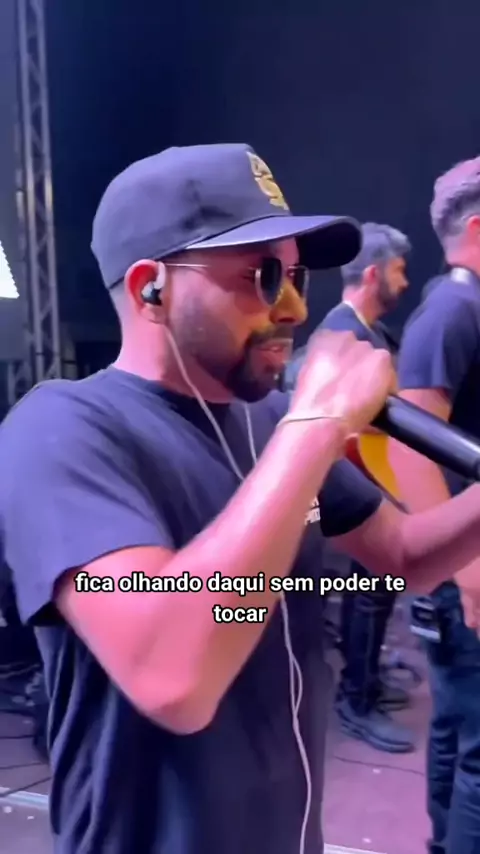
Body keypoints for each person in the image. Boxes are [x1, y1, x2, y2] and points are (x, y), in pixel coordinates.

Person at [2, 144, 480, 854]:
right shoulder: (61, 430)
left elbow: (404, 555)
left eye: (297, 276)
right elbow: (172, 674)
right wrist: (317, 425)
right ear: (151, 288)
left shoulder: (272, 425)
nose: (295, 307)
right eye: (263, 277)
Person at [284, 223, 413, 753]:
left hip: (368, 490)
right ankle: (355, 701)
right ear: (375, 274)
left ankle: (367, 685)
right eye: (400, 272)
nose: (405, 283)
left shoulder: (368, 335)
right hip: (347, 497)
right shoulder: (341, 339)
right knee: (367, 598)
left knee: (375, 598)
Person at [389, 155, 480, 854]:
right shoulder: (454, 309)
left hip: (460, 564)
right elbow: (413, 449)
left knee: (458, 725)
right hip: (467, 569)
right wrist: (467, 574)